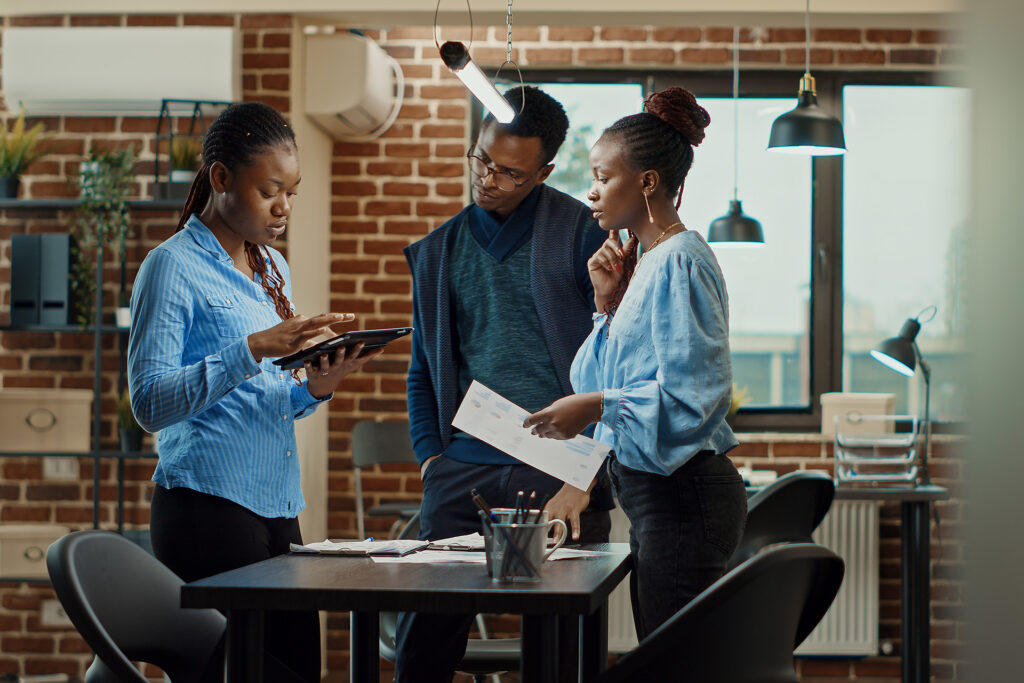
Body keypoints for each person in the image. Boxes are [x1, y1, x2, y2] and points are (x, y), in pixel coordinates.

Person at [127, 102, 380, 682]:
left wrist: (316, 387)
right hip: (206, 508)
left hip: (277, 507)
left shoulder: (272, 269)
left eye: (292, 192)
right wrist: (253, 348)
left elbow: (263, 399)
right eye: (270, 192)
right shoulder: (170, 267)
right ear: (220, 179)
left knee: (299, 671)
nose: (284, 208)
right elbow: (149, 404)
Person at [397, 85, 614, 681]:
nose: (488, 179)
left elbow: (617, 370)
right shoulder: (438, 252)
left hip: (559, 468)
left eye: (510, 173)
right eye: (482, 160)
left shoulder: (582, 234)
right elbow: (422, 371)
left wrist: (583, 475)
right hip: (460, 470)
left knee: (560, 650)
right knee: (425, 644)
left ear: (543, 172)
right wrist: (431, 462)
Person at [523, 86, 748, 640]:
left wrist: (599, 405)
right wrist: (605, 306)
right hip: (659, 497)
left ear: (647, 181)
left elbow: (695, 397)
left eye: (603, 177)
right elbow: (598, 381)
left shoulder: (680, 261)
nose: (591, 192)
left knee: (673, 663)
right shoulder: (648, 262)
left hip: (683, 497)